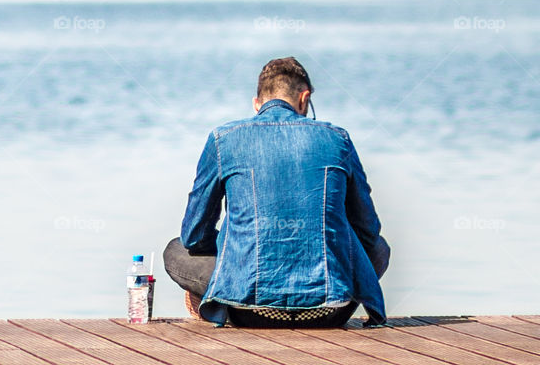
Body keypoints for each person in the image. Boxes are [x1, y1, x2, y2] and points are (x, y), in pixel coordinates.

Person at [163, 57, 390, 328]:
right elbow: (368, 233)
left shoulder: (224, 138)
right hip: (330, 310)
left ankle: (214, 302)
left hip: (247, 307)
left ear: (256, 104)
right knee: (379, 248)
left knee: (175, 250)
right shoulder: (338, 138)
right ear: (304, 99)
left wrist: (234, 248)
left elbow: (194, 235)